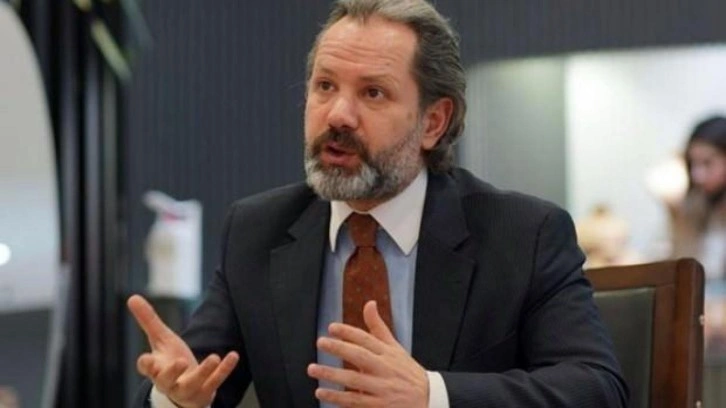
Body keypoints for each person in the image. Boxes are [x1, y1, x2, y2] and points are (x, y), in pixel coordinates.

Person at [128, 0, 628, 406]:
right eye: (325, 86)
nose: (338, 115)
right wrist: (176, 399)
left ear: (433, 122)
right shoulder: (257, 232)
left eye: (373, 93)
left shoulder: (523, 235)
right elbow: (196, 379)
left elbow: (596, 389)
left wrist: (431, 396)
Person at [662, 116, 726, 357]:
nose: (698, 175)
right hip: (700, 315)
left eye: (708, 163)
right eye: (693, 164)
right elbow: (681, 269)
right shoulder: (692, 209)